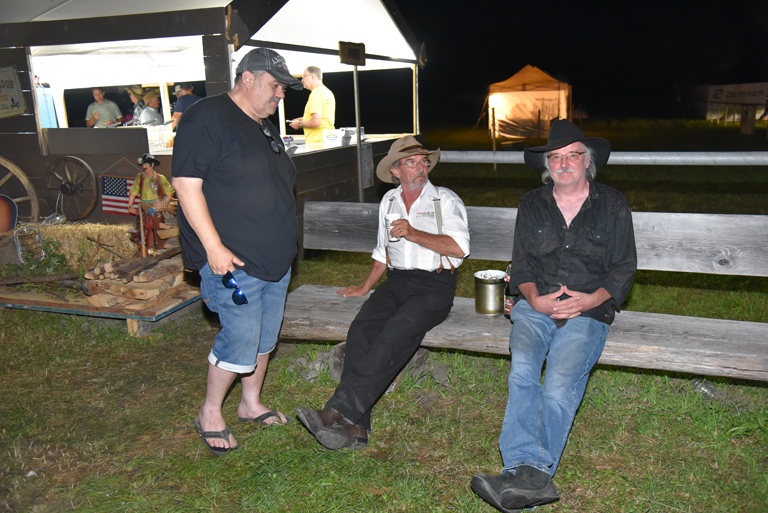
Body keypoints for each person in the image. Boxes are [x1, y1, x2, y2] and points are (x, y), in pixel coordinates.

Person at [471, 119, 637, 512]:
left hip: (588, 310)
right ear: (547, 165)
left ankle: (525, 477)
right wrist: (534, 299)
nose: (564, 164)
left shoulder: (613, 204)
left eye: (572, 156)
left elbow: (624, 269)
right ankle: (527, 475)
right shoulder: (531, 204)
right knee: (523, 371)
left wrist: (589, 299)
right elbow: (522, 264)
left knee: (560, 383)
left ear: (587, 161)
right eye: (556, 157)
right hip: (536, 306)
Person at [296, 136, 470, 450]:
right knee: (361, 331)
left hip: (435, 285)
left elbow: (459, 248)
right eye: (412, 163)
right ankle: (358, 429)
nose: (421, 167)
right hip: (396, 282)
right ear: (395, 171)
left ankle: (333, 412)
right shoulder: (389, 200)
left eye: (424, 161)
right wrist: (365, 286)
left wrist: (413, 232)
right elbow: (382, 251)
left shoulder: (444, 200)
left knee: (395, 333)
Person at [171, 47, 303, 456]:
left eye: (283, 88)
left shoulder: (263, 125)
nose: (280, 94)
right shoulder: (207, 117)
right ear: (248, 78)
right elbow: (185, 184)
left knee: (264, 337)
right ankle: (210, 412)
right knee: (240, 338)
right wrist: (213, 248)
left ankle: (250, 403)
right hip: (234, 262)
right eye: (275, 85)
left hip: (275, 259)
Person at [127, 153, 175, 252]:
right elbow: (133, 191)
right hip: (144, 207)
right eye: (143, 165)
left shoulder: (160, 178)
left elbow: (170, 192)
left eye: (146, 164)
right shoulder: (140, 177)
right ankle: (149, 248)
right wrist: (130, 205)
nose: (144, 167)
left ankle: (161, 249)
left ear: (152, 165)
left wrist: (162, 203)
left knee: (159, 228)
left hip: (156, 207)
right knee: (146, 229)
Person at [289, 66, 335, 144]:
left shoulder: (315, 93)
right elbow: (323, 118)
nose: (302, 80)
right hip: (329, 140)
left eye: (304, 76)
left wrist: (299, 124)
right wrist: (304, 119)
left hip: (317, 142)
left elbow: (316, 122)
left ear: (312, 76)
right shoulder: (327, 92)